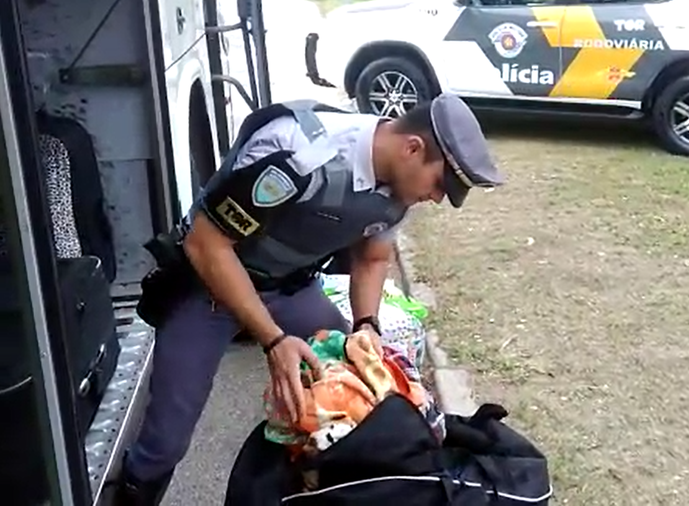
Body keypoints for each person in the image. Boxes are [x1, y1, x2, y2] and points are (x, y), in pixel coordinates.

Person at [115, 92, 502, 505]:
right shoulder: (297, 152)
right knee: (166, 439)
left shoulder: (397, 186)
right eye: (440, 184)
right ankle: (133, 493)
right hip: (208, 286)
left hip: (287, 287)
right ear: (413, 148)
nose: (438, 197)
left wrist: (366, 325)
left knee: (361, 395)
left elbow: (371, 257)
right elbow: (206, 244)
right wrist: (275, 341)